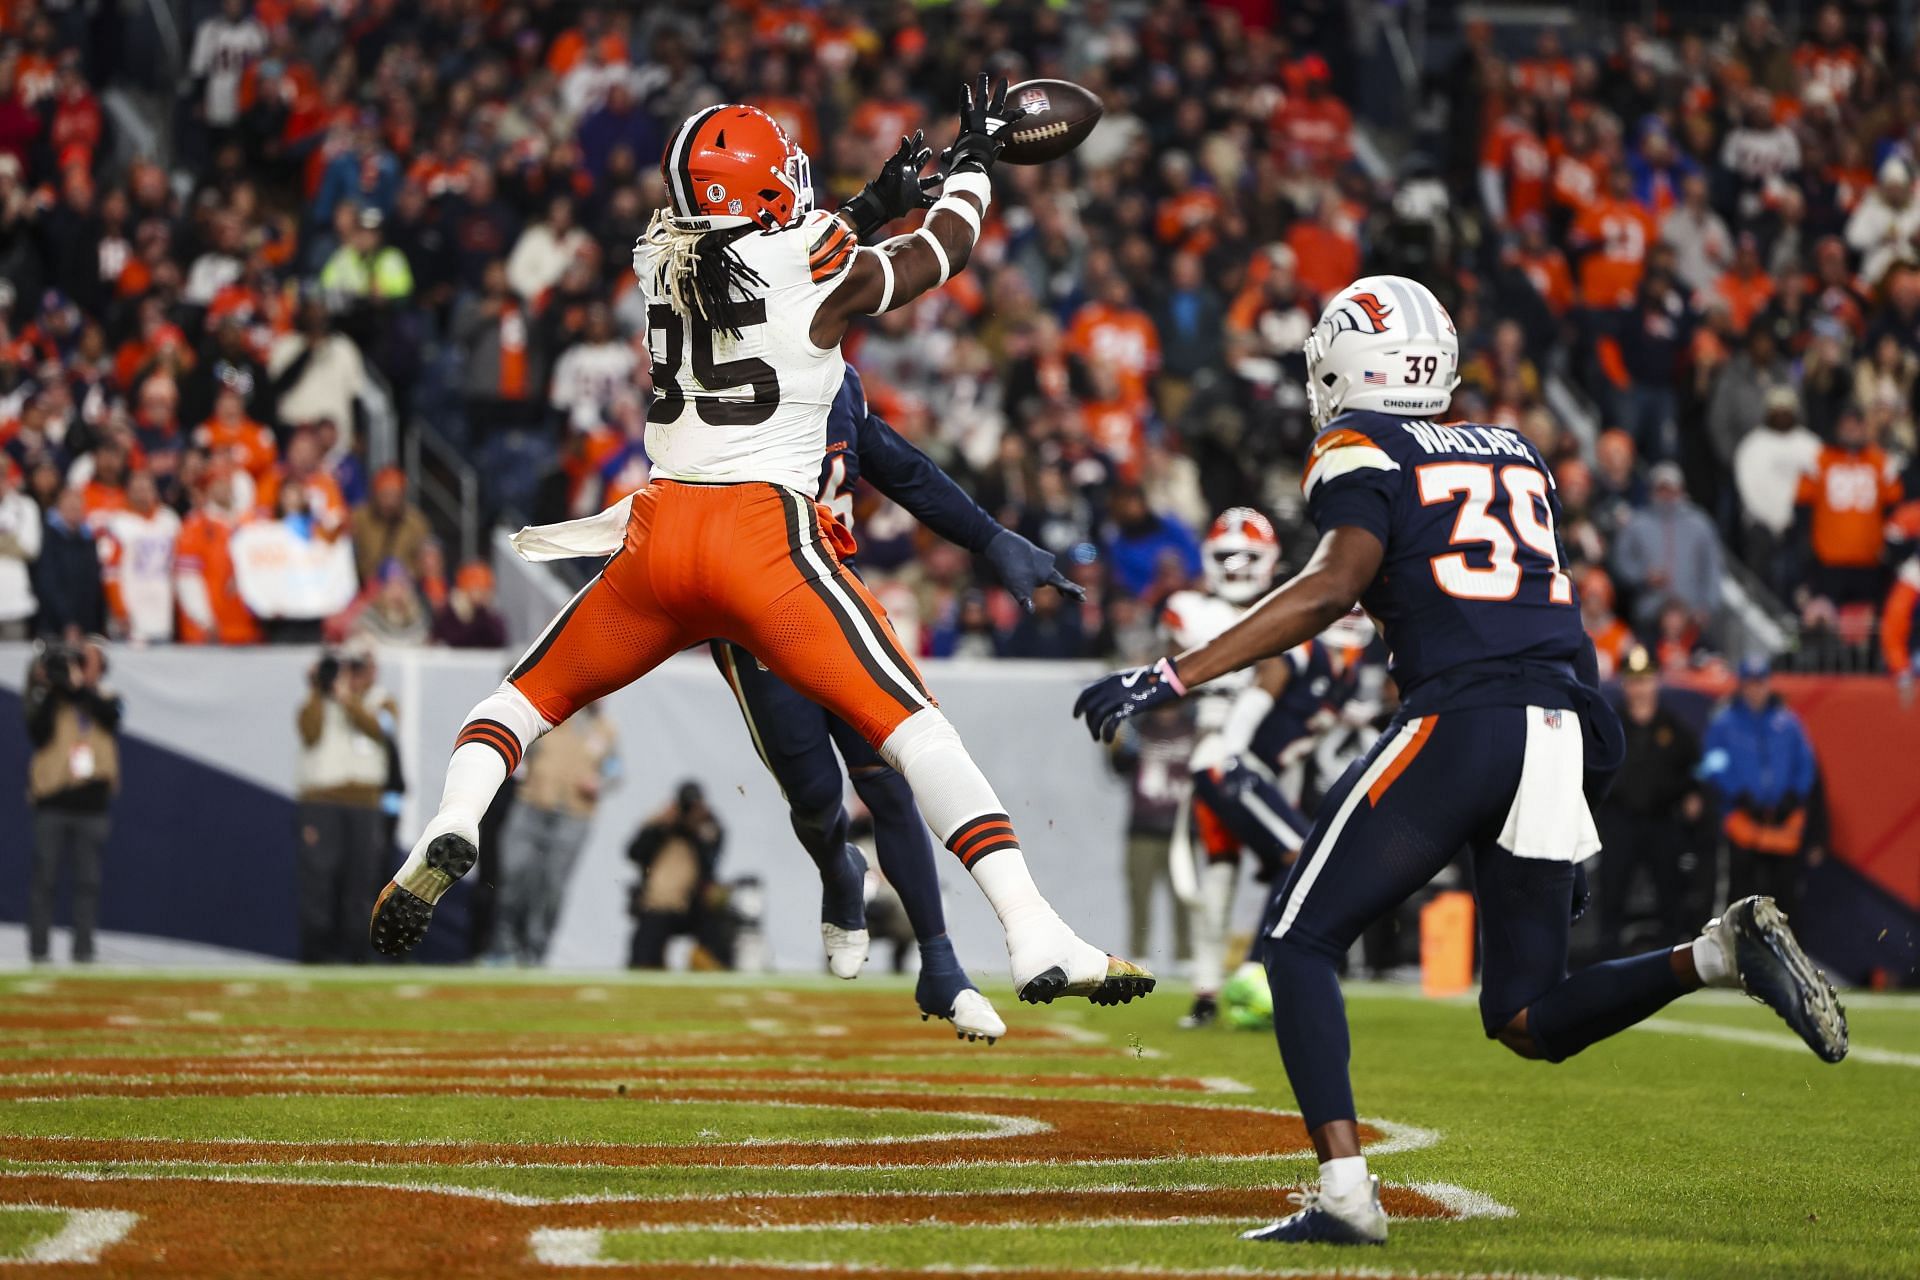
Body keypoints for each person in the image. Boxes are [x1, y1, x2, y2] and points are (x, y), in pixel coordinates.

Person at [1074, 275, 1848, 1247]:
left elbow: (1331, 587)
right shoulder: (1518, 453)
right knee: (1526, 1012)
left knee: (1297, 939)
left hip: (1465, 714)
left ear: (1360, 365)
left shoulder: (1362, 445)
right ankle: (1716, 951)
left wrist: (1173, 674)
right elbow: (1565, 630)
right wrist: (1581, 800)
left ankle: (1347, 1193)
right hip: (1562, 721)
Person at [373, 85, 1152, 1008]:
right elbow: (941, 255)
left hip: (658, 537)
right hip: (759, 540)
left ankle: (453, 816)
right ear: (768, 190)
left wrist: (867, 204)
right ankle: (1034, 932)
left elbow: (767, 257)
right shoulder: (811, 258)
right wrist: (976, 162)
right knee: (916, 733)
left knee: (523, 700)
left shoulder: (658, 260)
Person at [691, 364, 1078, 1039]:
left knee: (892, 779)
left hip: (837, 598)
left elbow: (905, 470)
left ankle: (941, 962)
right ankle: (840, 871)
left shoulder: (839, 382)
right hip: (755, 615)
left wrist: (989, 538)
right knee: (814, 796)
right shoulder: (729, 376)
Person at [487, 703, 618, 965]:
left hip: (574, 815)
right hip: (532, 805)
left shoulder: (605, 730)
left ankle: (535, 953)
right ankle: (502, 947)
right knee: (514, 872)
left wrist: (600, 783)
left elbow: (616, 770)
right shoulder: (552, 714)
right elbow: (521, 750)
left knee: (552, 886)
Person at [1596, 647, 1703, 957]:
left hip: (1662, 821)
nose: (1639, 688)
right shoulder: (1610, 723)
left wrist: (1692, 794)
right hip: (1619, 820)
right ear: (1625, 684)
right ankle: (1607, 962)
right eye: (1633, 681)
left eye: (1645, 681)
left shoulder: (1673, 727)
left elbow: (1695, 767)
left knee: (1670, 893)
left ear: (1655, 682)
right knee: (1611, 892)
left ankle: (1673, 966)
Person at [294, 643, 395, 963]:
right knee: (319, 879)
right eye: (349, 667)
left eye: (360, 666)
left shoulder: (383, 701)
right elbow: (308, 733)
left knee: (361, 882)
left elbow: (380, 731)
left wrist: (348, 700)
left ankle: (359, 955)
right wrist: (317, 689)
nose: (355, 674)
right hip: (321, 802)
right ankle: (316, 954)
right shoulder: (318, 701)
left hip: (365, 803)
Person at [23, 636, 120, 964]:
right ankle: (38, 953)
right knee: (44, 882)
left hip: (92, 805)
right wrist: (53, 685)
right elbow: (37, 731)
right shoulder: (49, 699)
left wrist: (78, 688)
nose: (77, 667)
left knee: (88, 884)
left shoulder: (104, 698)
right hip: (52, 801)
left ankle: (83, 953)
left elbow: (111, 716)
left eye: (86, 661)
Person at [1702, 655, 1820, 917]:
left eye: (1760, 683)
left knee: (1785, 900)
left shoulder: (1788, 722)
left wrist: (1793, 796)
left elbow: (1806, 763)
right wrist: (1738, 794)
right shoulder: (1725, 722)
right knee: (1741, 898)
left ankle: (1782, 954)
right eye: (1750, 684)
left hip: (1782, 823)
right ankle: (1739, 953)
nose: (1755, 690)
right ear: (1742, 686)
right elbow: (1713, 763)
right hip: (1743, 823)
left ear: (1768, 684)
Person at [627, 781, 730, 969]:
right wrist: (659, 827)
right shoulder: (663, 824)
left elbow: (711, 862)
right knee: (644, 953)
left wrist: (697, 830)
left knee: (718, 933)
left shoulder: (708, 825)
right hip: (661, 902)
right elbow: (635, 853)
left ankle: (709, 968)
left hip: (696, 903)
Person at [0, 459, 40, 640]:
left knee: (13, 664)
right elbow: (18, 546)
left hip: (14, 601)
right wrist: (9, 541)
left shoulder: (25, 506)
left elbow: (30, 549)